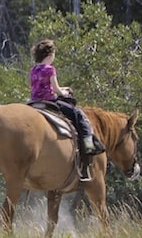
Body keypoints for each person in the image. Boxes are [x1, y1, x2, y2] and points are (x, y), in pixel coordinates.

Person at [29, 39, 104, 182]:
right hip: (49, 101)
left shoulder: (33, 69)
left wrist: (61, 90)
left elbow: (37, 88)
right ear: (50, 55)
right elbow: (55, 89)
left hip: (34, 102)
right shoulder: (50, 69)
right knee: (79, 115)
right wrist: (65, 92)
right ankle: (88, 146)